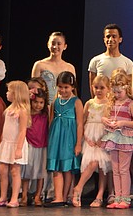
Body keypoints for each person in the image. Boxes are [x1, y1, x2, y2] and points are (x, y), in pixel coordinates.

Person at [71, 75, 112, 207]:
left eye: (102, 88)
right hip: (90, 137)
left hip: (102, 137)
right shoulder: (89, 103)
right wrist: (85, 138)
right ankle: (78, 188)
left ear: (108, 89)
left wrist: (103, 138)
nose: (98, 91)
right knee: (92, 163)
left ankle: (99, 195)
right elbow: (82, 122)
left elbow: (110, 123)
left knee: (103, 167)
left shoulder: (109, 104)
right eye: (96, 88)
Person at [101, 71, 133, 209]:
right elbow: (105, 116)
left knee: (123, 169)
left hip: (125, 137)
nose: (117, 95)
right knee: (115, 169)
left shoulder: (131, 104)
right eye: (115, 92)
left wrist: (122, 123)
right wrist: (105, 120)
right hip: (113, 137)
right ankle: (117, 197)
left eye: (119, 92)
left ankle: (125, 198)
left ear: (126, 87)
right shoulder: (112, 102)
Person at [0, 81, 30, 208]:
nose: (7, 93)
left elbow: (22, 130)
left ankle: (14, 198)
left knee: (15, 171)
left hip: (16, 144)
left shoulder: (22, 110)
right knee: (2, 170)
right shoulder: (9, 109)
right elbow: (5, 128)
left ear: (16, 94)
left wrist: (19, 149)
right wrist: (0, 142)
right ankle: (3, 196)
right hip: (6, 143)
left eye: (9, 91)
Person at [45, 71, 83, 206]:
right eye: (60, 87)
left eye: (66, 87)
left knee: (67, 168)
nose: (63, 90)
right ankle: (58, 196)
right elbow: (51, 121)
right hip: (56, 137)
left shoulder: (76, 102)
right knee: (56, 167)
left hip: (69, 137)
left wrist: (78, 143)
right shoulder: (56, 102)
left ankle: (64, 196)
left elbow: (79, 124)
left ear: (72, 86)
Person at [87, 24, 133, 97]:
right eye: (108, 36)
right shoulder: (95, 61)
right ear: (104, 39)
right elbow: (92, 87)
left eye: (114, 36)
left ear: (120, 39)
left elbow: (129, 88)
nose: (110, 39)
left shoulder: (128, 63)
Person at [21, 86, 48, 207]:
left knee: (40, 173)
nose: (38, 105)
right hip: (30, 145)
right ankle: (24, 196)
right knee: (27, 172)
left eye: (41, 102)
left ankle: (38, 195)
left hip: (42, 146)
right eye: (36, 102)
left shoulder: (45, 115)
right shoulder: (27, 114)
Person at [31, 31, 76, 104]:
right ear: (48, 45)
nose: (55, 46)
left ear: (65, 46)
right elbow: (34, 89)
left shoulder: (70, 68)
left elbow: (72, 91)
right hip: (44, 107)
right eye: (53, 43)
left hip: (63, 107)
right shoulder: (39, 65)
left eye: (59, 44)